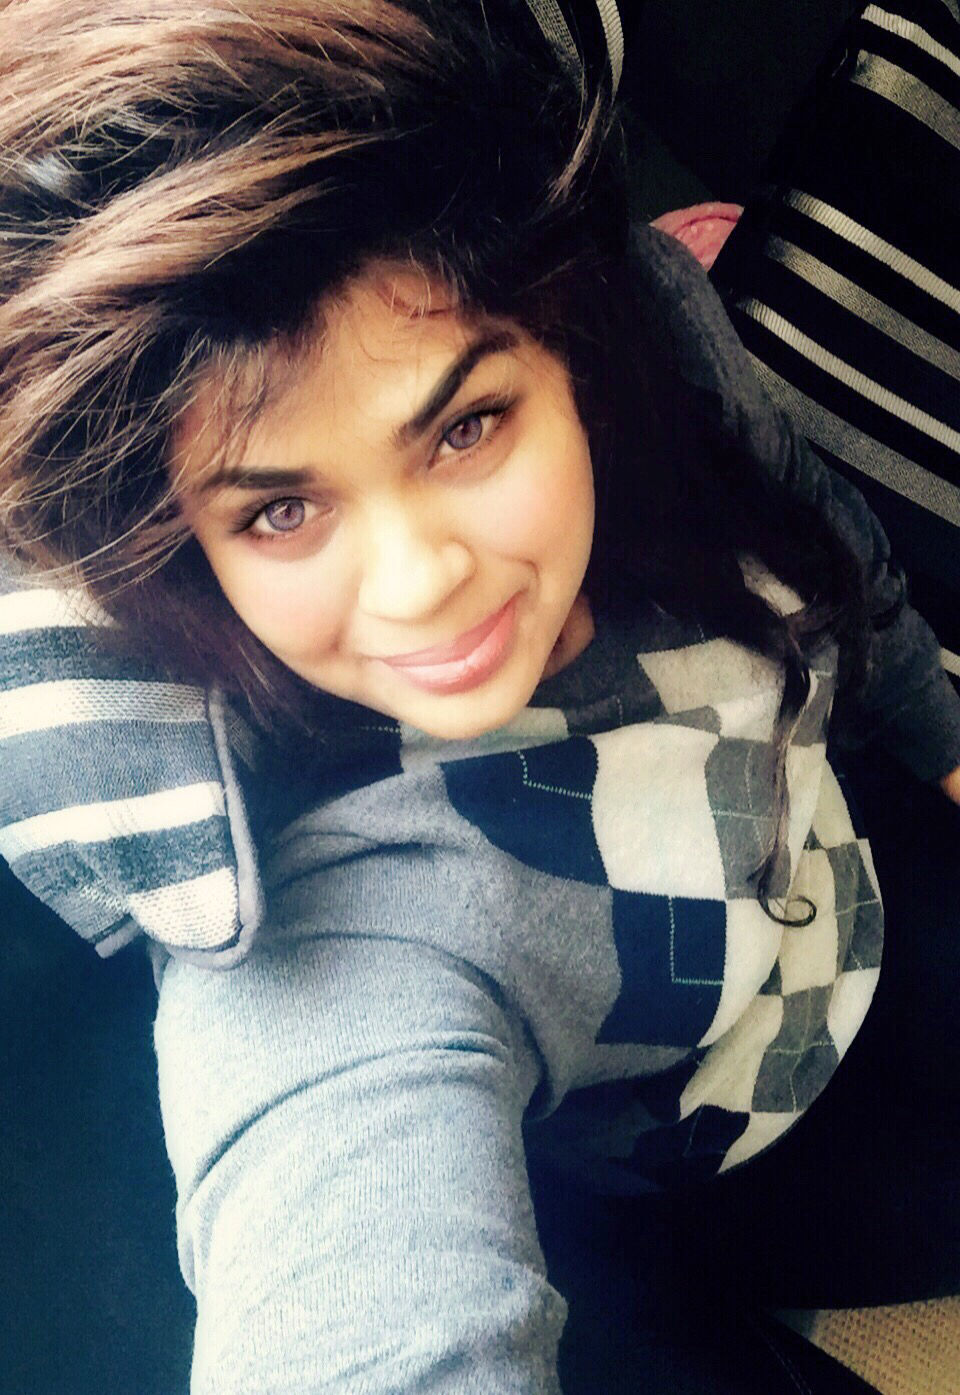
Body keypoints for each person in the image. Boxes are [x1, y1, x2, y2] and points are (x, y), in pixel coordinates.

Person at [0, 2, 958, 1391]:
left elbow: (818, 535)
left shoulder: (663, 358)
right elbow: (347, 1256)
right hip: (700, 1168)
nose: (422, 586)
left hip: (854, 878)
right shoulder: (349, 911)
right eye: (280, 512)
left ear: (568, 348)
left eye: (464, 428)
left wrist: (937, 737)